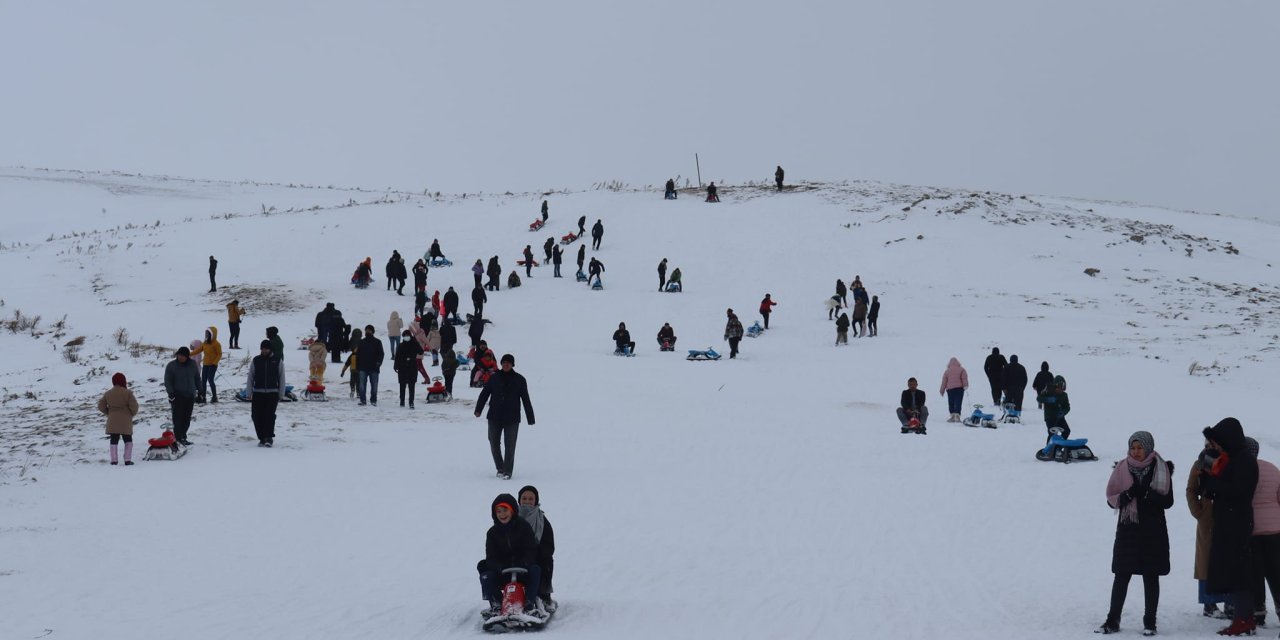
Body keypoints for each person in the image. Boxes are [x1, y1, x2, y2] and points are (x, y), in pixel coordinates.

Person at [1098, 431, 1174, 635]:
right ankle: (1112, 619)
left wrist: (1148, 494)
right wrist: (1129, 494)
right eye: (1133, 447)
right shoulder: (1122, 468)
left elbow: (1168, 501)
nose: (1136, 452)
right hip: (1128, 530)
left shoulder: (1161, 468)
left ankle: (1150, 621)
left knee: (1151, 576)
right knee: (1121, 575)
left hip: (1153, 530)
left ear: (1148, 447)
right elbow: (1111, 499)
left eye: (1140, 448)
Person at [1201, 418, 1260, 636]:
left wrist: (1214, 484)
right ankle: (1243, 618)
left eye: (1218, 442)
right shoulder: (1233, 458)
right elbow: (1212, 479)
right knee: (1234, 570)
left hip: (1237, 521)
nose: (1216, 446)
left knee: (1239, 571)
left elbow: (1237, 490)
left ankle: (1244, 619)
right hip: (1229, 520)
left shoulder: (1244, 460)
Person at [477, 494, 544, 615]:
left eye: (505, 510)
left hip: (523, 570)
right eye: (499, 511)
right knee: (485, 572)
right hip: (503, 571)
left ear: (512, 510)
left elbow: (530, 549)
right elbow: (491, 557)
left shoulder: (523, 527)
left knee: (536, 569)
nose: (502, 514)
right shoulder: (492, 533)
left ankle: (529, 603)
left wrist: (524, 563)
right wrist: (500, 567)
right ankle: (497, 604)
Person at [474, 354, 535, 480]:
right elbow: (484, 394)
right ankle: (500, 468)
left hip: (512, 418)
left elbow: (526, 399)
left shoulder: (520, 380)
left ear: (512, 365)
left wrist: (530, 417)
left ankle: (508, 471)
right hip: (494, 416)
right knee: (494, 442)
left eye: (508, 363)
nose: (506, 364)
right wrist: (478, 409)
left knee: (510, 445)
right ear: (501, 364)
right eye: (504, 362)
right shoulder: (494, 378)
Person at [1188, 440, 1231, 618]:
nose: (1208, 448)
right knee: (1206, 558)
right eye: (1206, 445)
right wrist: (1199, 511)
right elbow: (1191, 489)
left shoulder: (1230, 462)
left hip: (1228, 515)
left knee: (1229, 558)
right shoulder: (1199, 463)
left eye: (1212, 444)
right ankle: (1209, 603)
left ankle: (1231, 602)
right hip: (1207, 517)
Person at [1246, 437, 1280, 627]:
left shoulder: (1243, 471)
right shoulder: (1272, 468)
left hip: (1254, 529)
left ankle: (1258, 612)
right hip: (1275, 530)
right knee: (1275, 572)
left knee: (1255, 573)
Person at [518, 485, 557, 610]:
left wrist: (534, 554)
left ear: (536, 501)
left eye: (531, 499)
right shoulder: (511, 517)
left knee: (545, 562)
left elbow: (548, 545)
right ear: (519, 500)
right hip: (516, 558)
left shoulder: (542, 521)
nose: (527, 501)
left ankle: (543, 596)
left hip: (536, 557)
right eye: (524, 498)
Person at [246, 340, 285, 447]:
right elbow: (250, 377)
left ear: (270, 349)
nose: (264, 351)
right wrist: (249, 392)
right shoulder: (256, 360)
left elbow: (282, 377)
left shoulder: (277, 360)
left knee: (269, 416)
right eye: (262, 349)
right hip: (258, 392)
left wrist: (281, 393)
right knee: (256, 416)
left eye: (266, 349)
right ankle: (262, 437)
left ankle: (268, 437)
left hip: (273, 393)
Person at [98, 373, 139, 465]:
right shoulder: (128, 393)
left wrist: (108, 412)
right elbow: (134, 407)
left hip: (113, 419)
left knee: (114, 439)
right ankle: (127, 460)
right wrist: (131, 414)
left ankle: (114, 460)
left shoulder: (108, 393)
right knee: (128, 439)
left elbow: (101, 406)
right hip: (125, 419)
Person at [164, 346, 200, 446]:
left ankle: (183, 436)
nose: (180, 357)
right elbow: (168, 381)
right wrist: (171, 393)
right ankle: (178, 438)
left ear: (187, 356)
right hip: (177, 396)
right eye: (179, 355)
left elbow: (197, 377)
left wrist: (200, 390)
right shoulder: (171, 366)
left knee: (187, 418)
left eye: (182, 356)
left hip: (190, 395)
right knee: (177, 418)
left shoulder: (192, 364)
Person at [190, 326, 223, 403]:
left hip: (212, 365)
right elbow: (198, 350)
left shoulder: (216, 344)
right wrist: (189, 354)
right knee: (203, 381)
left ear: (212, 334)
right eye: (205, 333)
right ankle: (203, 397)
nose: (206, 335)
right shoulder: (205, 343)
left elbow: (219, 354)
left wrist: (215, 362)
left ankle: (214, 397)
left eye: (207, 333)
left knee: (210, 380)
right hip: (205, 364)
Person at [393, 330, 423, 409]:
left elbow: (421, 352)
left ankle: (411, 402)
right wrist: (395, 366)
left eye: (407, 336)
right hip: (402, 367)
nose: (406, 337)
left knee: (411, 386)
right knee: (402, 386)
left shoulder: (414, 344)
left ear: (410, 336)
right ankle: (402, 401)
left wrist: (415, 342)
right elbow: (397, 357)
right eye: (404, 336)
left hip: (412, 367)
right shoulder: (400, 345)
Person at [1036, 375, 1070, 442]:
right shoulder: (1048, 392)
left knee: (1067, 431)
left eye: (1062, 387)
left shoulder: (1064, 395)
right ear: (1055, 386)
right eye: (1059, 387)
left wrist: (1063, 412)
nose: (1061, 389)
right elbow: (1039, 398)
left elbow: (1067, 407)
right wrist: (1048, 399)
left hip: (1060, 417)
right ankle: (1049, 450)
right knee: (1052, 433)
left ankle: (1059, 445)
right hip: (1049, 417)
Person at [357, 325, 384, 406]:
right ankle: (363, 400)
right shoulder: (362, 342)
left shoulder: (377, 342)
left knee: (374, 386)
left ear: (373, 331)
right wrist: (358, 366)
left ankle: (373, 400)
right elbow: (358, 354)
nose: (367, 332)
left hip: (374, 368)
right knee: (362, 385)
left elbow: (381, 354)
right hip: (363, 367)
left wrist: (378, 363)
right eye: (366, 330)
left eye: (369, 330)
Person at [939, 357, 969, 422]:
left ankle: (952, 416)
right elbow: (964, 378)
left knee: (951, 402)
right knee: (958, 402)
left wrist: (942, 391)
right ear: (958, 363)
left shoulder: (947, 371)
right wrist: (965, 385)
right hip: (959, 389)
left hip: (950, 389)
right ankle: (957, 416)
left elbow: (944, 382)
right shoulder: (962, 369)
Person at [341, 328, 362, 398]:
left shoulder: (352, 355)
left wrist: (343, 371)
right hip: (360, 369)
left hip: (352, 369)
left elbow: (347, 363)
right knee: (359, 381)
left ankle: (352, 390)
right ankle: (358, 392)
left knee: (352, 381)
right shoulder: (362, 342)